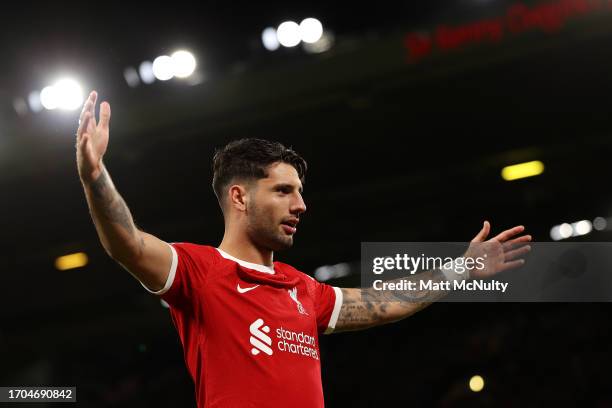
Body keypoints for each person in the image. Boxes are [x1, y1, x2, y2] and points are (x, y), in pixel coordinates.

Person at [75, 90, 531, 407]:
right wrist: (96, 178)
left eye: (300, 191)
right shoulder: (201, 271)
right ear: (239, 197)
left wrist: (461, 269)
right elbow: (127, 244)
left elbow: (385, 304)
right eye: (283, 191)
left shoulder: (303, 291)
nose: (301, 204)